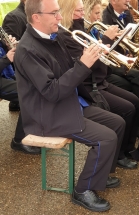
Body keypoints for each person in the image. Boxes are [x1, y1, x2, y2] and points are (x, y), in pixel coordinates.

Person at [15, 0, 126, 212]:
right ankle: (83, 190)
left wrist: (91, 56)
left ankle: (100, 175)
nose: (59, 17)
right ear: (36, 17)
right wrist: (84, 64)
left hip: (69, 103)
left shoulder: (51, 38)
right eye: (54, 13)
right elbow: (52, 91)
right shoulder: (28, 49)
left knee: (118, 123)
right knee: (106, 138)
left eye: (58, 12)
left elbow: (68, 71)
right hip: (47, 115)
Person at [58, 0, 138, 168]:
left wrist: (115, 42)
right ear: (67, 12)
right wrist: (106, 41)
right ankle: (119, 155)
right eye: (78, 11)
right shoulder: (67, 35)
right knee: (127, 109)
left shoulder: (82, 28)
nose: (82, 15)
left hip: (99, 80)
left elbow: (101, 59)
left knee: (134, 101)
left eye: (82, 10)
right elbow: (87, 65)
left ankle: (127, 149)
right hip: (89, 85)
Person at [0, 34, 40, 154]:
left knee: (37, 84)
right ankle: (20, 140)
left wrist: (7, 46)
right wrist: (6, 59)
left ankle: (34, 131)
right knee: (32, 94)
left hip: (6, 74)